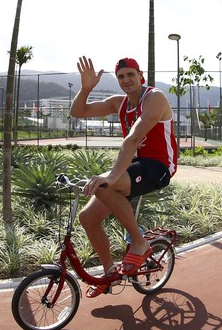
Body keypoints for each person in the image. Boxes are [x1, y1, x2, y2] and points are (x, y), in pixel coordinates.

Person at [69, 56, 178, 298]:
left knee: (104, 185)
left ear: (141, 77)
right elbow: (77, 111)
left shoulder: (154, 98)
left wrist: (111, 176)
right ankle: (109, 275)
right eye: (121, 76)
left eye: (130, 75)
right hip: (136, 165)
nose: (126, 80)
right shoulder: (119, 103)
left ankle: (139, 242)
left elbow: (134, 138)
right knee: (87, 217)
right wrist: (86, 88)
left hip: (159, 167)